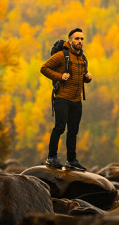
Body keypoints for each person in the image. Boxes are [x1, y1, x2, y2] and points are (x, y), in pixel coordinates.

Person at [40, 28, 93, 171]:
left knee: (73, 131)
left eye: (82, 39)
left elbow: (79, 78)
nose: (80, 41)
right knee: (59, 128)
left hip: (77, 100)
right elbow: (44, 68)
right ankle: (51, 158)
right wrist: (59, 77)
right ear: (70, 40)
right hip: (62, 98)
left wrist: (87, 78)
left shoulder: (83, 58)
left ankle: (71, 160)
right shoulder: (62, 55)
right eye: (77, 39)